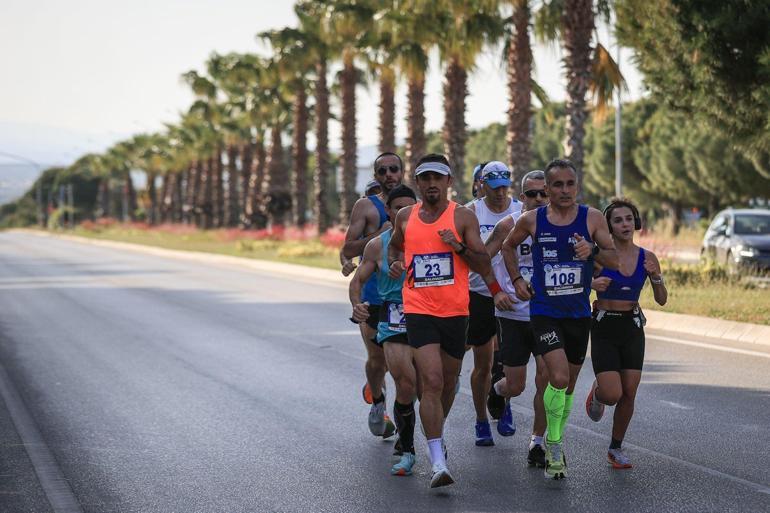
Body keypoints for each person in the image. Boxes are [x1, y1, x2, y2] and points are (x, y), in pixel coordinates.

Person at [388, 153, 513, 488]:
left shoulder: (462, 217)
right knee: (429, 380)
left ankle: (435, 432)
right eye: (425, 178)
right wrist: (397, 263)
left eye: (437, 178)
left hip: (456, 312)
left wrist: (457, 246)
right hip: (418, 309)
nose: (431, 184)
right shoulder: (404, 216)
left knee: (445, 381)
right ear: (418, 182)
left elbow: (482, 263)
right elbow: (395, 248)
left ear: (448, 182)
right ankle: (437, 461)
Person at [500, 158, 618, 480]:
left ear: (576, 187)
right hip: (545, 313)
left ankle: (555, 438)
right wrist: (518, 282)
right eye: (557, 185)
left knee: (568, 388)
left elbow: (614, 258)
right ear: (547, 188)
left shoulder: (591, 218)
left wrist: (591, 252)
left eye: (570, 184)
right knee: (559, 377)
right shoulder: (532, 220)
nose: (564, 190)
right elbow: (507, 247)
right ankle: (552, 443)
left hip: (578, 314)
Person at [585, 199, 667, 469]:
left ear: (636, 223)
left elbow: (662, 299)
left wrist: (656, 277)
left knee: (629, 392)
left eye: (629, 219)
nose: (625, 224)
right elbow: (576, 286)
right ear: (608, 226)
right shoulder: (598, 256)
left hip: (632, 326)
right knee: (612, 394)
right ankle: (598, 393)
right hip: (604, 325)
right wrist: (591, 282)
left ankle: (615, 447)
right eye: (618, 220)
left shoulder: (648, 257)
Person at [349, 185, 420, 476]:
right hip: (388, 312)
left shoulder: (433, 240)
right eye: (397, 207)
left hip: (427, 315)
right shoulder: (378, 244)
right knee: (398, 376)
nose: (404, 212)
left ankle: (420, 437)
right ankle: (401, 437)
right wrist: (357, 304)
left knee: (426, 383)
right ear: (388, 212)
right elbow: (357, 280)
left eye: (409, 207)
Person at [485, 169, 550, 467]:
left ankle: (537, 443)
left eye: (543, 193)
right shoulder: (506, 225)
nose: (538, 199)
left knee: (547, 381)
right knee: (516, 385)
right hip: (512, 314)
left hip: (548, 314)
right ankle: (497, 390)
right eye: (532, 194)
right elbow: (482, 261)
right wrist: (497, 291)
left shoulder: (558, 226)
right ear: (521, 197)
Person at [341, 152, 404, 436]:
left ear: (402, 172)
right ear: (376, 175)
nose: (389, 174)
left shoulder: (412, 205)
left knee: (401, 364)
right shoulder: (366, 206)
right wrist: (379, 234)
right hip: (372, 298)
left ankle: (404, 422)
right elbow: (349, 249)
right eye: (383, 170)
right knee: (379, 361)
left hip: (405, 299)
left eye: (394, 169)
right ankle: (378, 401)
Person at [465, 161, 521, 445]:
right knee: (483, 365)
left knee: (508, 363)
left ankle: (504, 404)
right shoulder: (471, 211)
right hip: (479, 294)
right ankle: (481, 420)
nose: (500, 194)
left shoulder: (520, 210)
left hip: (510, 296)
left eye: (504, 188)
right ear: (481, 184)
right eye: (494, 188)